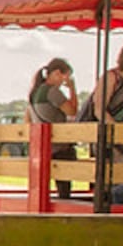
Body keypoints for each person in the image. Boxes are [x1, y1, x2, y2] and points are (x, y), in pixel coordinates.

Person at [28, 58, 80, 197]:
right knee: (64, 189)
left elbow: (27, 118)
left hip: (42, 146)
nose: (65, 81)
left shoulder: (35, 92)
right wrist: (72, 89)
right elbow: (72, 111)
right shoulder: (53, 92)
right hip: (58, 146)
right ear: (57, 73)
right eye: (66, 76)